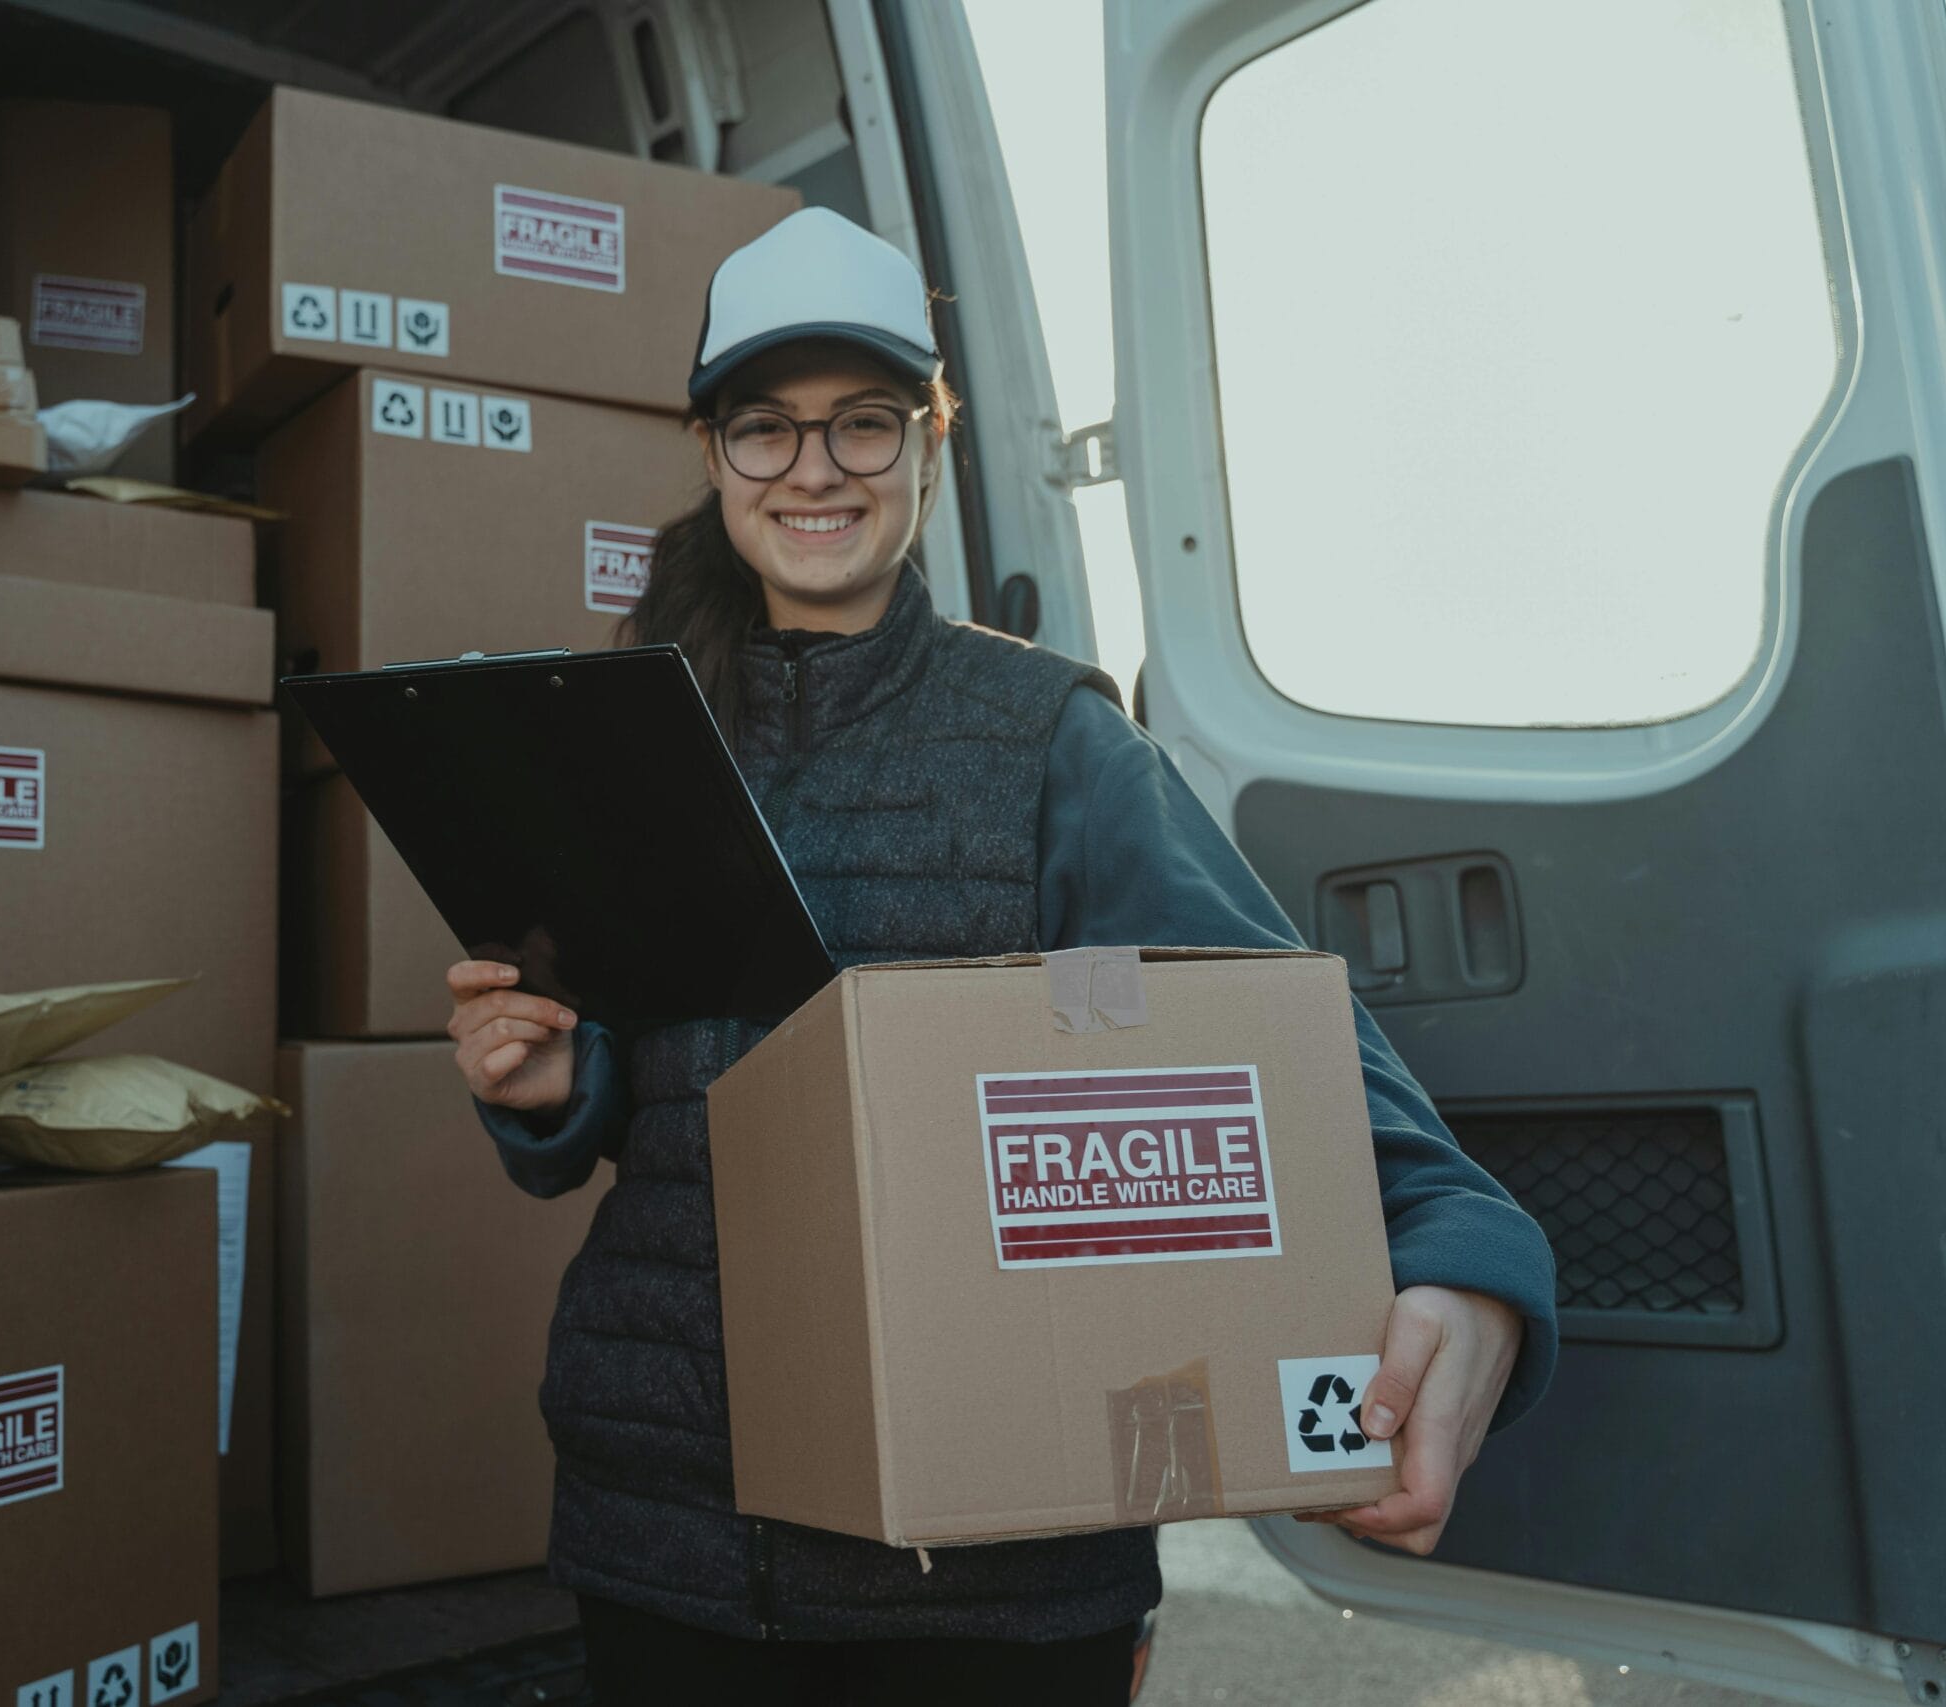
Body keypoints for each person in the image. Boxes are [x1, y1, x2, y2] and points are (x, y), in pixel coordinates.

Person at [444, 207, 1558, 1707]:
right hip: (662, 1537)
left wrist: (1474, 1276)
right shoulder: (634, 734)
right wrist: (551, 1088)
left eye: (864, 423)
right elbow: (616, 1112)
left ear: (931, 441)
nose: (816, 469)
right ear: (713, 456)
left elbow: (1302, 1075)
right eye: (766, 429)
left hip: (992, 1591)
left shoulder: (1054, 743)